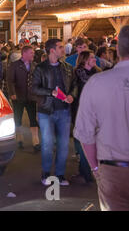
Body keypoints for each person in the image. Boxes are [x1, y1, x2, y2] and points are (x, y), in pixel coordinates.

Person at [74, 25, 129, 210]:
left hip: (113, 169)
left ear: (118, 50)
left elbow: (85, 133)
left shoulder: (97, 82)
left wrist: (96, 169)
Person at [32, 39, 77, 186]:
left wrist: (72, 95)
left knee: (64, 144)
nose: (63, 49)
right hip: (47, 111)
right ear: (52, 50)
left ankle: (60, 175)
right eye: (60, 47)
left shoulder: (68, 67)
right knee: (47, 144)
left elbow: (75, 84)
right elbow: (34, 88)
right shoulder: (40, 68)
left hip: (64, 110)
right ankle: (45, 173)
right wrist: (51, 92)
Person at [70, 50, 101, 184]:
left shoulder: (99, 73)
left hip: (97, 112)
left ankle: (89, 171)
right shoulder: (75, 74)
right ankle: (85, 172)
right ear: (84, 60)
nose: (95, 59)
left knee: (94, 142)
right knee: (82, 141)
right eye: (92, 57)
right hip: (79, 111)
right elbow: (72, 91)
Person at [7, 46, 40, 152]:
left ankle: (36, 141)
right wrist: (12, 93)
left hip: (31, 97)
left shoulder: (35, 65)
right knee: (18, 118)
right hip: (18, 96)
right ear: (24, 53)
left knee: (33, 119)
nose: (33, 54)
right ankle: (19, 138)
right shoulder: (14, 65)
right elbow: (10, 81)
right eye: (31, 53)